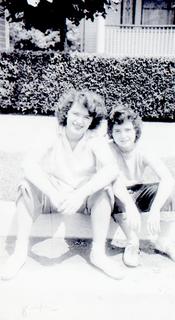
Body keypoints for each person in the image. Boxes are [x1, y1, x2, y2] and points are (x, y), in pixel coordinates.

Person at [1, 89, 124, 280]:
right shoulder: (51, 133)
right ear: (66, 112)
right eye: (75, 114)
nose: (79, 121)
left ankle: (98, 254)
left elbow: (111, 169)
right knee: (26, 185)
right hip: (53, 197)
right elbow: (28, 164)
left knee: (105, 189)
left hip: (81, 200)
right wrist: (52, 192)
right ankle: (20, 252)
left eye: (86, 116)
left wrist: (81, 193)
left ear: (92, 120)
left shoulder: (94, 139)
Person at [107, 104, 175, 267]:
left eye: (127, 130)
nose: (123, 136)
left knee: (170, 192)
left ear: (136, 130)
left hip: (139, 189)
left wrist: (155, 209)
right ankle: (132, 242)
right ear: (111, 133)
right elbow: (114, 181)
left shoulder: (143, 149)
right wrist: (130, 206)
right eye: (117, 131)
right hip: (119, 193)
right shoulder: (108, 149)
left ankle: (164, 241)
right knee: (111, 192)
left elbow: (167, 178)